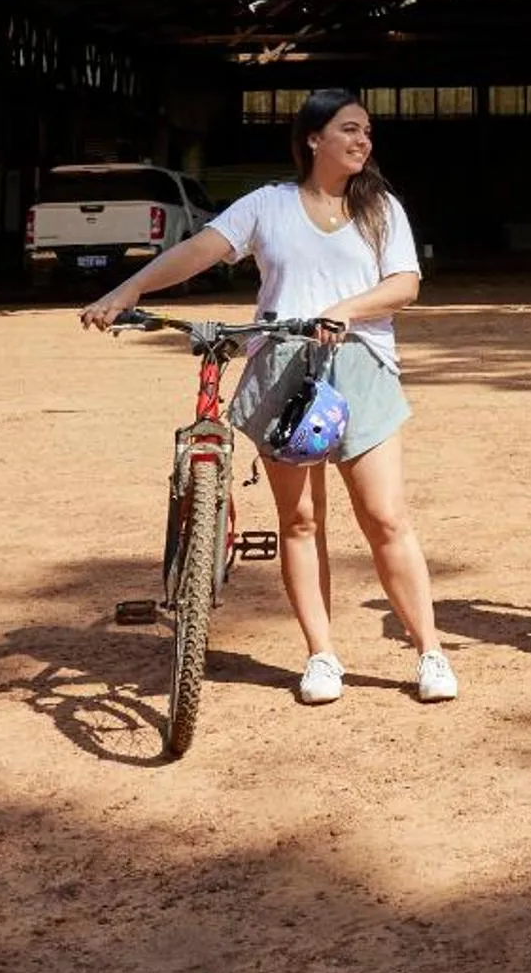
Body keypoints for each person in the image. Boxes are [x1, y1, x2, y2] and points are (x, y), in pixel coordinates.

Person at [80, 89, 458, 706]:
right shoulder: (268, 206)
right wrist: (126, 291)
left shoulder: (380, 208)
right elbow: (197, 251)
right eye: (350, 130)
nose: (363, 141)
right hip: (282, 370)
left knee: (386, 517)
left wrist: (344, 310)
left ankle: (429, 651)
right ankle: (322, 655)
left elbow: (404, 285)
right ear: (314, 139)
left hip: (358, 366)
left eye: (366, 132)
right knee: (301, 521)